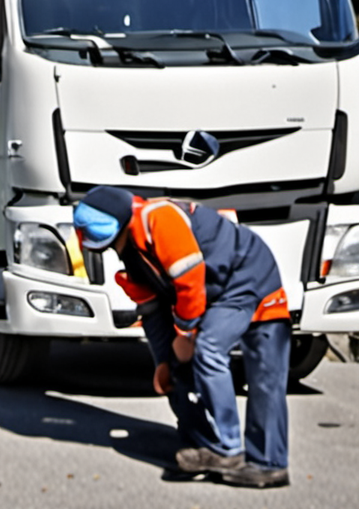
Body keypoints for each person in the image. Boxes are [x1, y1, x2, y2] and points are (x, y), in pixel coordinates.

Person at [73, 185, 291, 488]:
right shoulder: (132, 262)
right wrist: (165, 361)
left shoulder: (158, 219)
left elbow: (189, 281)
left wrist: (186, 334)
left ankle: (244, 455)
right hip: (212, 289)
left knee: (216, 353)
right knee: (177, 368)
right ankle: (205, 444)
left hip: (247, 276)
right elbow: (153, 316)